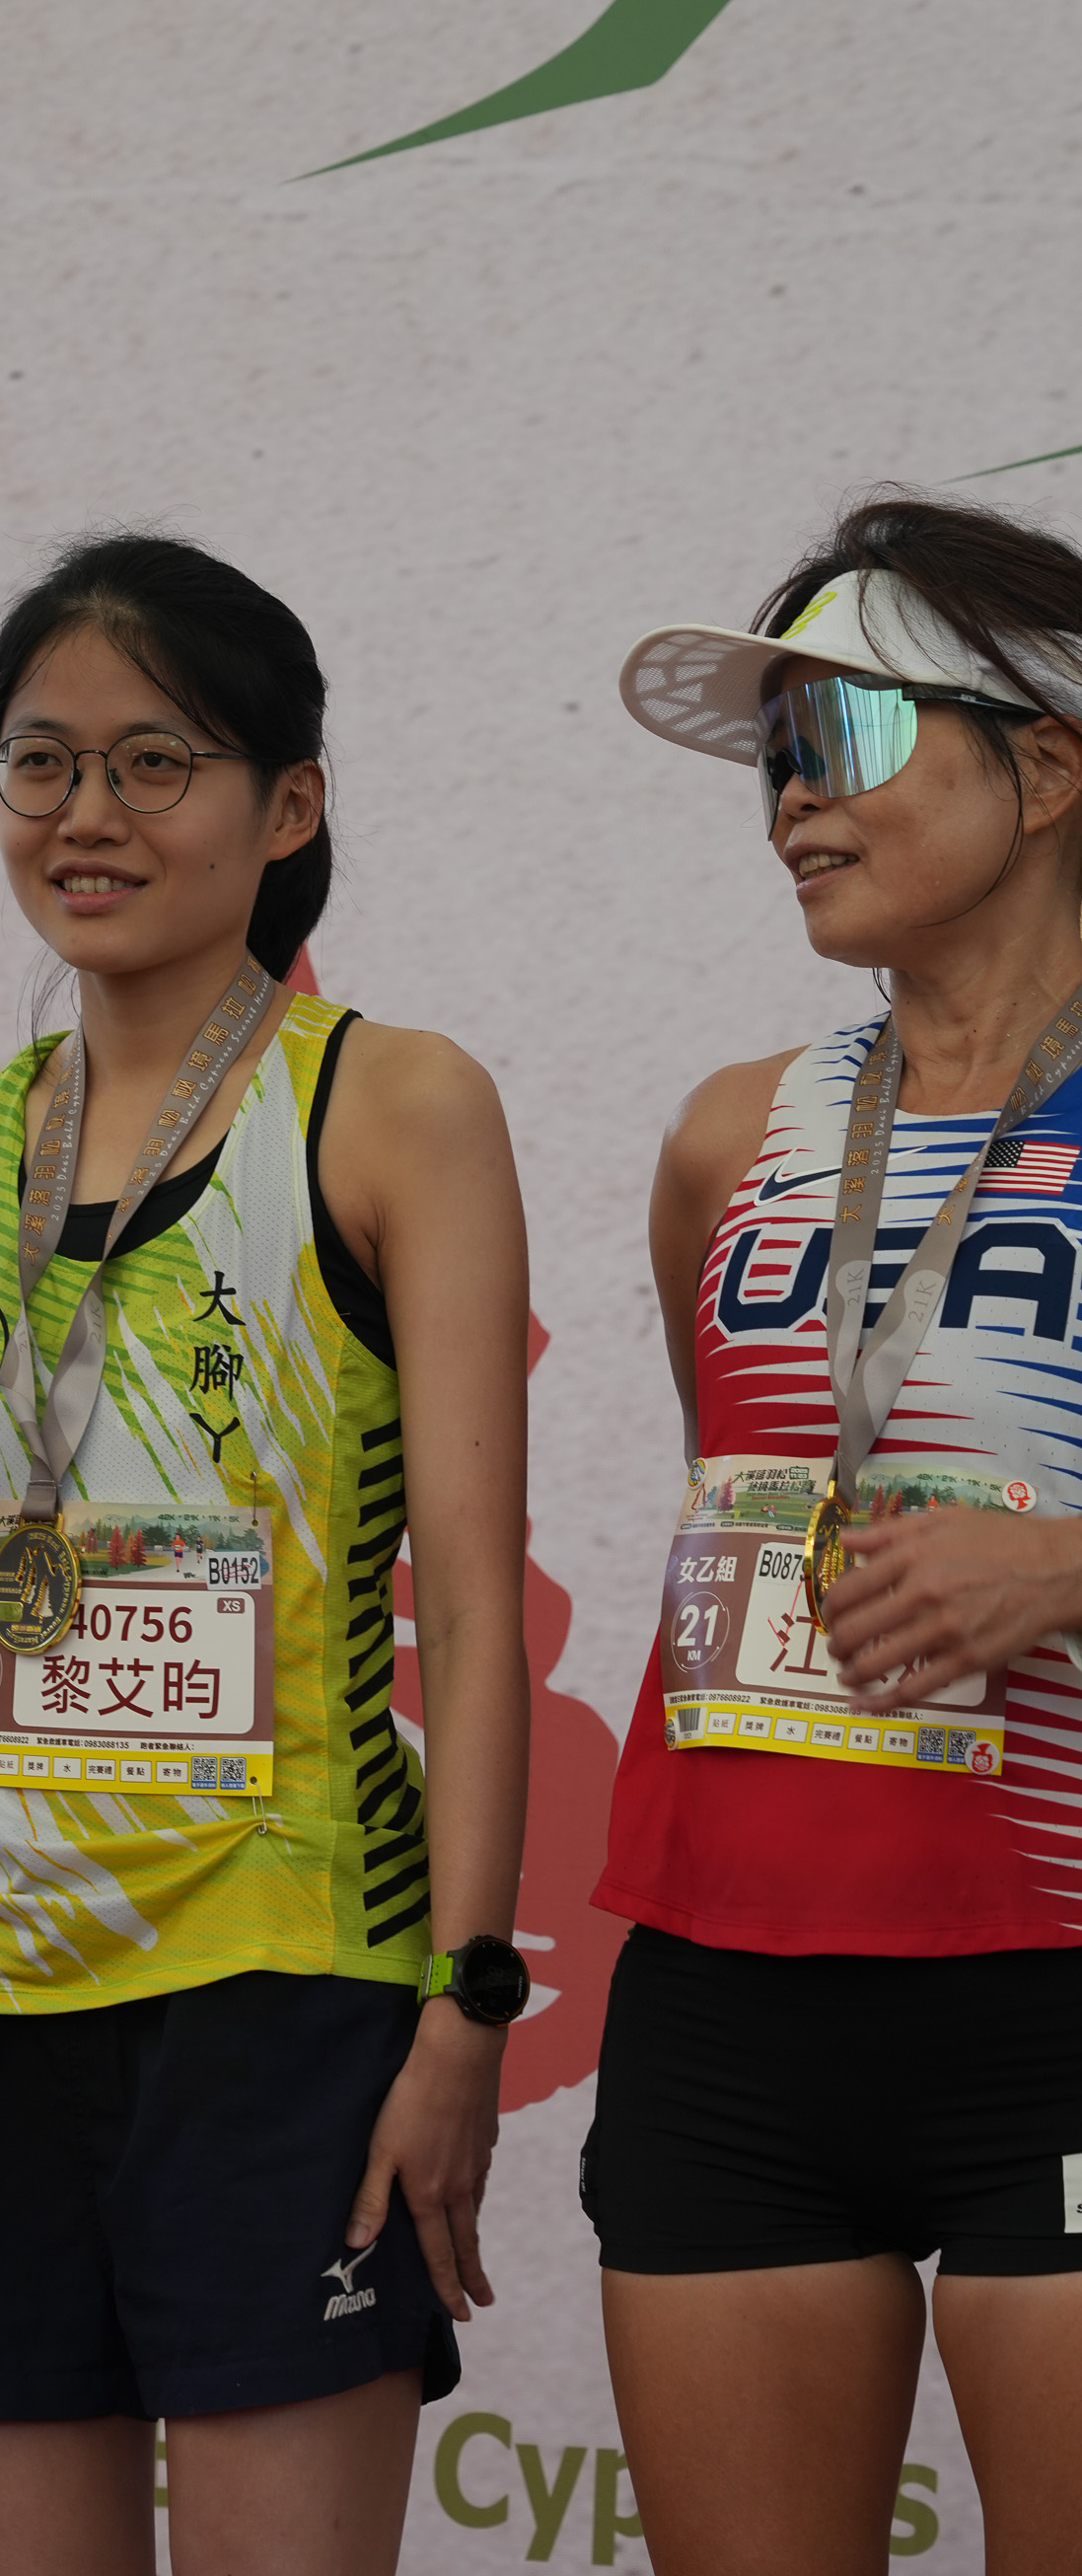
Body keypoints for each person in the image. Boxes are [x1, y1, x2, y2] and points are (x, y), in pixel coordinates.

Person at [0, 535, 531, 2576]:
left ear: (287, 806)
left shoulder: (390, 1105)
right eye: (40, 762)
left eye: (154, 762)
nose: (87, 815)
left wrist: (468, 2002)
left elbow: (474, 1606)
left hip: (284, 1990)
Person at [591, 496, 1082, 2576]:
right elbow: (750, 1479)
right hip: (734, 1987)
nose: (791, 797)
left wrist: (1068, 1567)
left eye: (849, 735)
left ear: (1044, 767)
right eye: (776, 751)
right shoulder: (734, 1131)